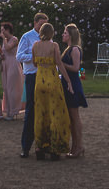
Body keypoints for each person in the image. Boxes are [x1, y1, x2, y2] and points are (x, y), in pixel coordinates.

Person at [31, 22, 73, 159]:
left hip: (39, 82)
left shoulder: (35, 46)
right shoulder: (54, 46)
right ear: (51, 33)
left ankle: (39, 147)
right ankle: (55, 148)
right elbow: (59, 63)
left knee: (40, 115)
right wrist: (68, 80)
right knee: (55, 114)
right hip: (52, 81)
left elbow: (34, 63)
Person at [17, 12, 48, 157]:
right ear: (35, 23)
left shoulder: (48, 38)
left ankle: (43, 145)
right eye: (41, 25)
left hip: (45, 76)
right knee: (31, 111)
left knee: (45, 111)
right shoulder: (27, 37)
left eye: (45, 25)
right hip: (32, 75)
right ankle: (26, 146)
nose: (42, 28)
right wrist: (34, 57)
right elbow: (19, 56)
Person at [61, 23, 88, 158]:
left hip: (73, 85)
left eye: (65, 33)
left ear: (70, 35)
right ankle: (74, 146)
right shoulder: (69, 49)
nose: (63, 35)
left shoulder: (75, 50)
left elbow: (76, 68)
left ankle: (79, 145)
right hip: (67, 84)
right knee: (71, 118)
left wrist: (60, 64)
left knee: (74, 117)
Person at [0, 22, 23, 121]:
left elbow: (8, 48)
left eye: (3, 30)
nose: (1, 32)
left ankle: (13, 111)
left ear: (7, 30)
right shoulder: (5, 40)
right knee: (6, 88)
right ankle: (8, 111)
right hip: (5, 64)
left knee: (11, 88)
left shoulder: (14, 39)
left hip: (13, 63)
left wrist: (3, 38)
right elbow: (3, 51)